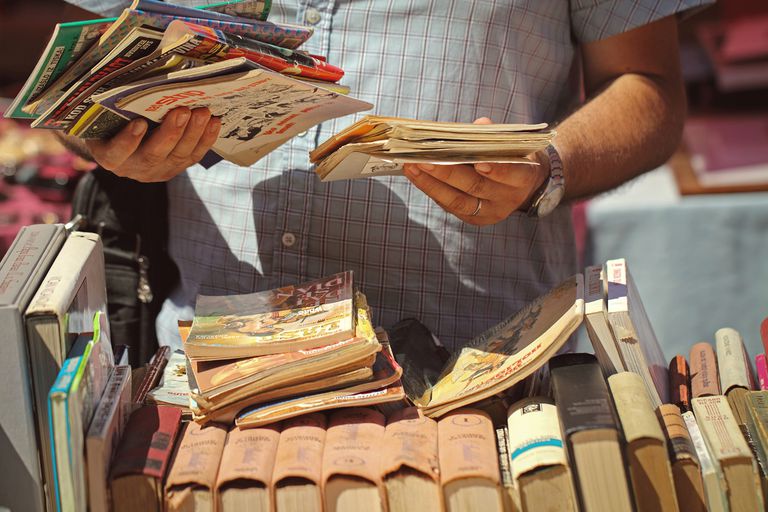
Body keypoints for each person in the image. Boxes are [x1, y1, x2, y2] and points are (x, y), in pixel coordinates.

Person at [59, 0, 711, 351]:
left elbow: (648, 87)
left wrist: (547, 164)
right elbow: (84, 77)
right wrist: (109, 138)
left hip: (470, 372)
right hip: (210, 362)